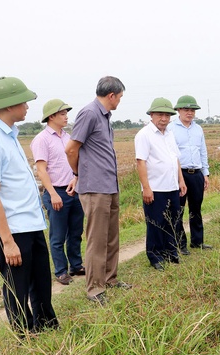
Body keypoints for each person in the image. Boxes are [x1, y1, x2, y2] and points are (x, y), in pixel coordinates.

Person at [0, 76, 58, 334]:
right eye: (24, 101)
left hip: (30, 222)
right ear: (9, 105)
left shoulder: (8, 135)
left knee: (41, 281)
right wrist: (7, 241)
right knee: (17, 286)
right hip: (13, 228)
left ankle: (46, 326)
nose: (28, 106)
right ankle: (23, 336)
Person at [65, 76, 128, 305]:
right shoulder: (89, 113)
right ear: (111, 95)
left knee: (111, 237)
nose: (119, 101)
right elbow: (71, 149)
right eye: (119, 97)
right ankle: (94, 289)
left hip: (109, 185)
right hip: (94, 188)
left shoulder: (105, 117)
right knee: (97, 239)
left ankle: (110, 279)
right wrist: (78, 174)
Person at [30, 99, 85, 286]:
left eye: (66, 114)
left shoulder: (68, 137)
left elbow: (76, 161)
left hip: (74, 190)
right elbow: (41, 169)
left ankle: (76, 265)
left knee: (76, 231)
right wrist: (52, 194)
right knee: (58, 236)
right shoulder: (42, 139)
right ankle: (61, 271)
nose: (66, 117)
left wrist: (76, 178)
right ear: (51, 116)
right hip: (57, 192)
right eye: (62, 114)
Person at [135, 98, 187, 270]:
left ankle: (170, 252)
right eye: (160, 115)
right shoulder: (144, 135)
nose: (164, 118)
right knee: (155, 223)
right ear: (151, 115)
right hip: (155, 188)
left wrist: (181, 180)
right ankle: (155, 256)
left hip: (171, 185)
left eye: (167, 115)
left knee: (172, 221)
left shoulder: (169, 134)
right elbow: (141, 162)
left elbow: (175, 159)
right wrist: (146, 188)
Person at [169, 95, 212, 254]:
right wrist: (178, 177)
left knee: (196, 209)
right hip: (179, 174)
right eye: (186, 109)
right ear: (178, 110)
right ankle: (181, 244)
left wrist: (205, 173)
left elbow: (203, 151)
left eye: (192, 110)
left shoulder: (198, 129)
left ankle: (198, 241)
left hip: (196, 174)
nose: (190, 113)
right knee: (178, 209)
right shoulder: (171, 129)